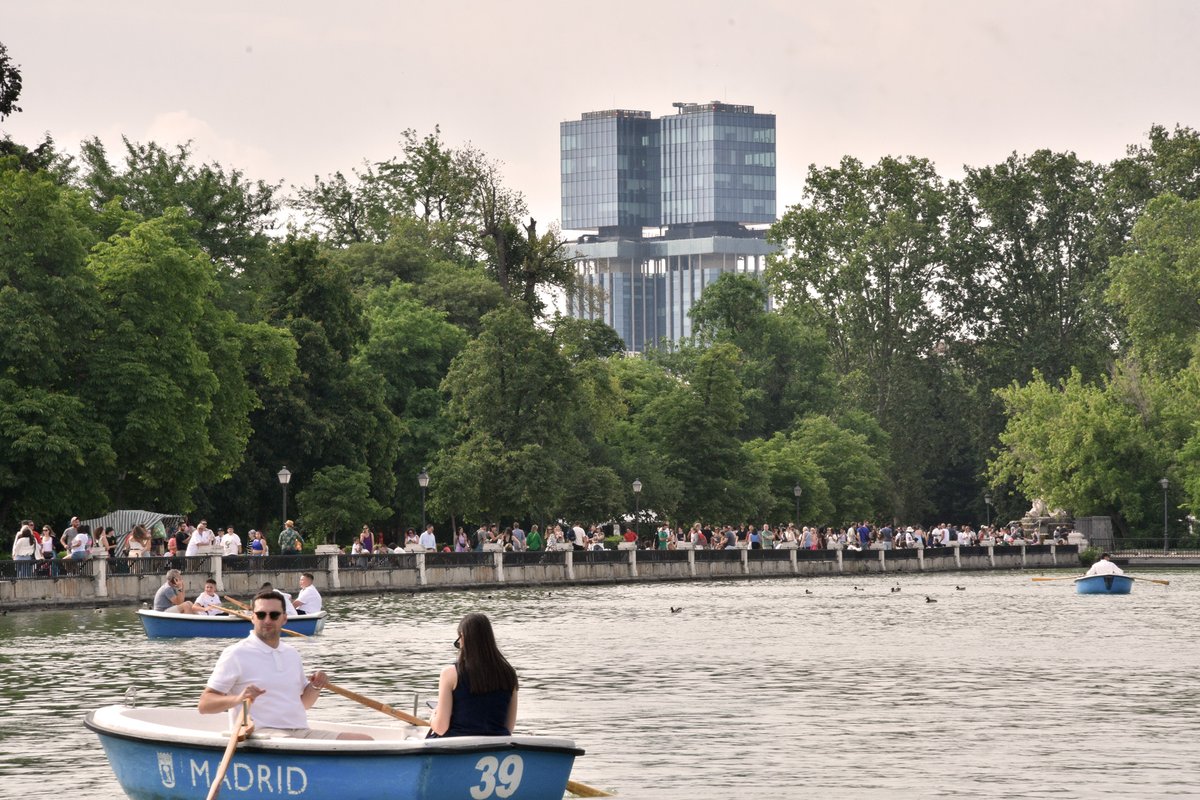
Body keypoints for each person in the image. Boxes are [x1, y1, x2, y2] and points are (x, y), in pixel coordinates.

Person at [198, 588, 370, 740]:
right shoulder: (235, 653)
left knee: (364, 740)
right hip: (261, 734)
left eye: (274, 615)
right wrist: (238, 699)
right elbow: (205, 705)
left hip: (300, 731)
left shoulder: (291, 654)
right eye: (261, 615)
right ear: (253, 618)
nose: (267, 620)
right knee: (294, 743)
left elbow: (303, 704)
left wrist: (315, 686)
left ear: (285, 618)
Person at [428, 613, 518, 738]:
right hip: (496, 745)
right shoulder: (509, 674)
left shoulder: (450, 673)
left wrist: (433, 717)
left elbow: (441, 728)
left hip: (456, 744)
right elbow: (508, 728)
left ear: (463, 637)